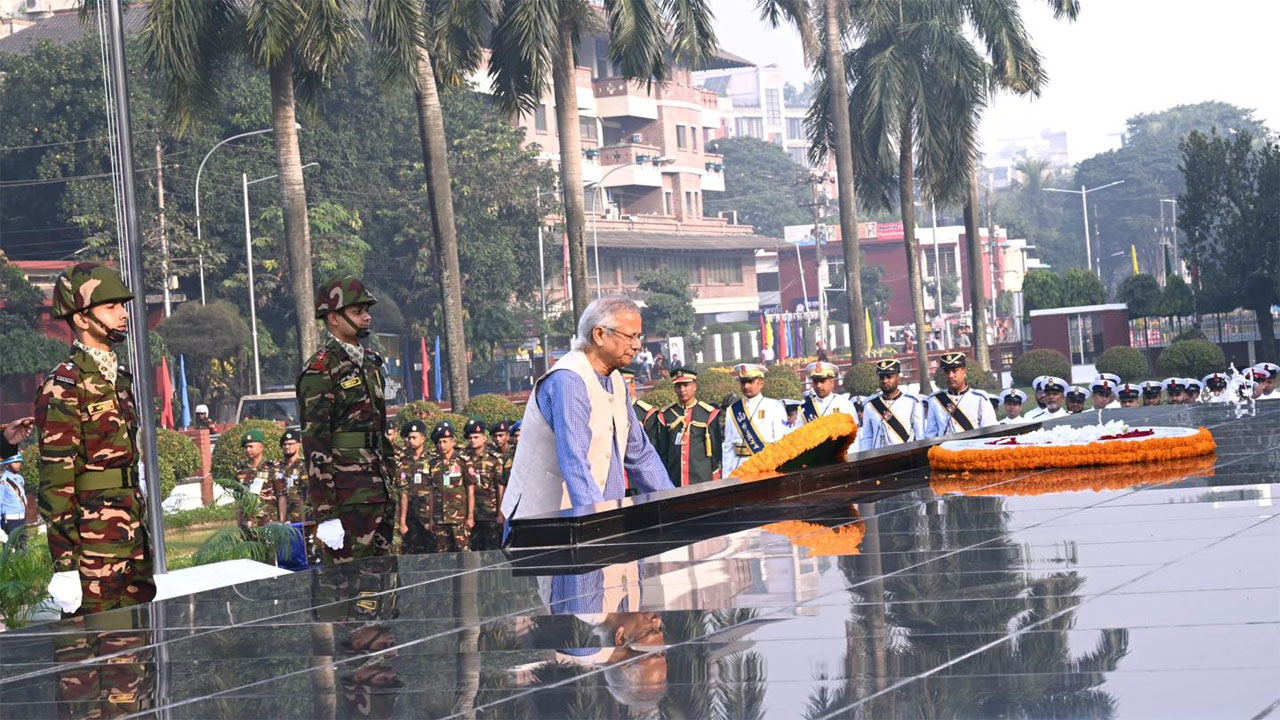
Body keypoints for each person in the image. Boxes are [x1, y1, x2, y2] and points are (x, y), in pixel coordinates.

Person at [36, 262, 154, 615]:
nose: (123, 314)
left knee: (138, 634)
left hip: (132, 534)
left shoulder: (118, 379)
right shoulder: (64, 385)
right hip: (92, 546)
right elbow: (56, 479)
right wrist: (65, 565)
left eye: (123, 306)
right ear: (81, 318)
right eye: (111, 307)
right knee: (92, 640)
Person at [502, 296, 673, 526]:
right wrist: (599, 522)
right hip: (545, 522)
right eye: (630, 336)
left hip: (592, 517)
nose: (636, 345)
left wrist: (673, 506)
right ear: (599, 334)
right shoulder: (569, 380)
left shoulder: (616, 380)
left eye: (638, 336)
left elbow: (639, 453)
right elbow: (574, 460)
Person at [296, 276, 395, 564]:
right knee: (350, 582)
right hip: (347, 496)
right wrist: (326, 514)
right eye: (357, 311)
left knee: (384, 576)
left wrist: (389, 476)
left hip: (379, 489)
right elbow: (315, 444)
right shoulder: (321, 370)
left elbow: (379, 429)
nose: (367, 317)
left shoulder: (371, 363)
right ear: (334, 318)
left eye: (367, 311)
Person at [655, 369, 722, 487]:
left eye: (686, 385)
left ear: (694, 387)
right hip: (675, 477)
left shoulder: (708, 413)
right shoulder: (666, 414)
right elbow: (664, 450)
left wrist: (715, 472)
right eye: (678, 386)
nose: (682, 390)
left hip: (702, 477)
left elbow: (716, 450)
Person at [721, 363, 789, 476]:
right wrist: (726, 475)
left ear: (761, 383)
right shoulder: (733, 410)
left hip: (765, 467)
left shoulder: (774, 406)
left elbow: (780, 442)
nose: (746, 386)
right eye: (743, 382)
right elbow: (728, 446)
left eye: (750, 381)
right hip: (739, 467)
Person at [423, 421, 475, 552]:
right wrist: (431, 519)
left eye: (445, 441)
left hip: (459, 518)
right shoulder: (433, 464)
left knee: (464, 553)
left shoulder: (463, 462)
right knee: (442, 554)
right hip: (440, 518)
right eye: (439, 442)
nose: (442, 445)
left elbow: (470, 490)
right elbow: (431, 492)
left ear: (453, 442)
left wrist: (470, 516)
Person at [854, 359, 926, 451]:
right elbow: (867, 438)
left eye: (889, 377)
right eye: (881, 377)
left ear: (898, 378)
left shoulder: (913, 403)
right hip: (879, 456)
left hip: (905, 455)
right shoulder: (870, 405)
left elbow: (920, 436)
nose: (885, 381)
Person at [924, 353, 995, 437]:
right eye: (947, 372)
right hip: (945, 445)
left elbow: (990, 431)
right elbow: (931, 434)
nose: (950, 376)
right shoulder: (935, 400)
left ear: (964, 372)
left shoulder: (980, 399)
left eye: (954, 371)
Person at [461, 419, 505, 551]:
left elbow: (500, 487)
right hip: (469, 513)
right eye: (470, 438)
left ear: (484, 438)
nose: (472, 440)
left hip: (489, 512)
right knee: (474, 550)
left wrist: (500, 513)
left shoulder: (494, 459)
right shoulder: (463, 459)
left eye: (476, 437)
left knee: (492, 550)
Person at [396, 420, 433, 553]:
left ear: (423, 438)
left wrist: (432, 518)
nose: (411, 441)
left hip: (427, 514)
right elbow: (403, 491)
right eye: (409, 438)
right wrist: (402, 521)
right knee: (411, 551)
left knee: (431, 550)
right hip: (410, 515)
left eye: (414, 437)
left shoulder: (432, 459)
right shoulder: (403, 460)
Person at [234, 428, 283, 529]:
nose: (248, 450)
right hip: (247, 523)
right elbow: (238, 498)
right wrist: (239, 522)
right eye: (246, 447)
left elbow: (281, 495)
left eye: (251, 446)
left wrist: (282, 520)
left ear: (261, 447)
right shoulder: (241, 469)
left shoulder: (272, 467)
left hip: (268, 522)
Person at [797, 361, 858, 428]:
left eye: (822, 381)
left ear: (831, 382)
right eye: (815, 381)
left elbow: (854, 431)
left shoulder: (845, 405)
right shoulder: (805, 409)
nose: (818, 385)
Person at [621, 367, 661, 448]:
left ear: (633, 385)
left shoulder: (646, 412)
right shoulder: (610, 410)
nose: (620, 388)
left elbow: (652, 445)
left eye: (624, 385)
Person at [277, 429, 309, 523]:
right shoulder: (278, 467)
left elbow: (306, 494)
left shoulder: (305, 466)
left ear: (298, 445)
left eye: (290, 444)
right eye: (285, 444)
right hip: (282, 517)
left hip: (302, 516)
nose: (287, 447)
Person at [1, 452, 27, 550]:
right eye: (15, 462)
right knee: (11, 550)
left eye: (19, 461)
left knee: (23, 548)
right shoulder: (3, 481)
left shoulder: (20, 479)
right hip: (10, 521)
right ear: (7, 465)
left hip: (22, 518)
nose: (19, 464)